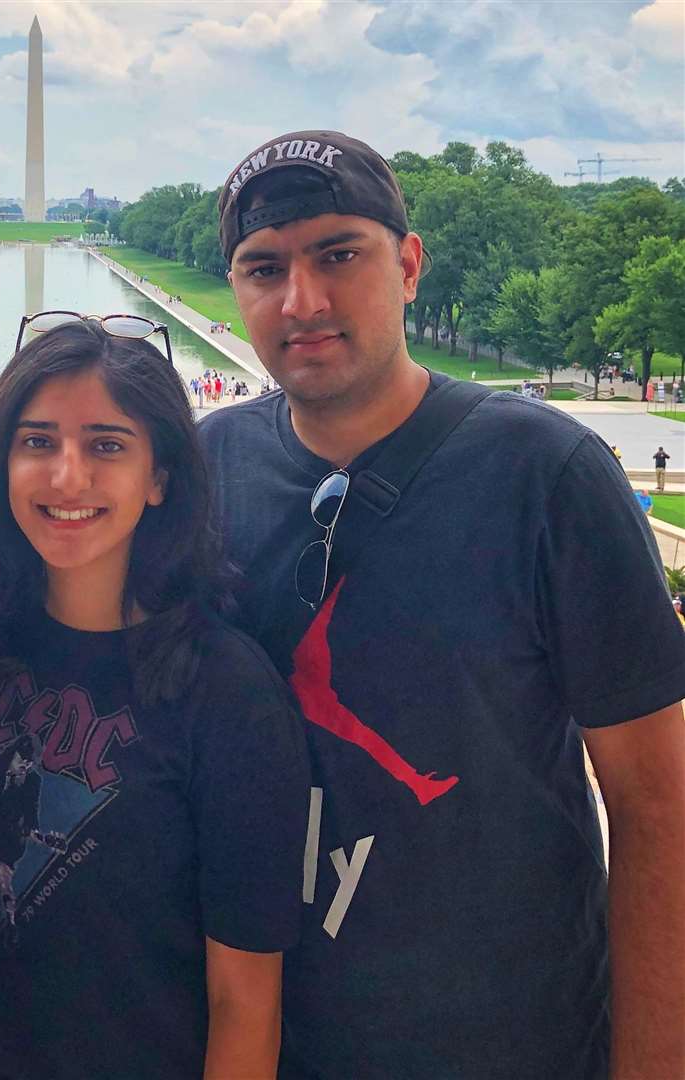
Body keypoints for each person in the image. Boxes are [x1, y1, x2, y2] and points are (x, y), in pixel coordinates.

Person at [199, 128, 685, 1079]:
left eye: (338, 253)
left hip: (508, 1044)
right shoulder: (204, 468)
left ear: (409, 264)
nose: (302, 300)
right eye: (264, 268)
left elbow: (656, 805)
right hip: (268, 1044)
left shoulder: (546, 474)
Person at [0, 319, 309, 1079]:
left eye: (105, 445)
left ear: (159, 476)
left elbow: (245, 1000)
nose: (67, 477)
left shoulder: (225, 692)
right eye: (37, 442)